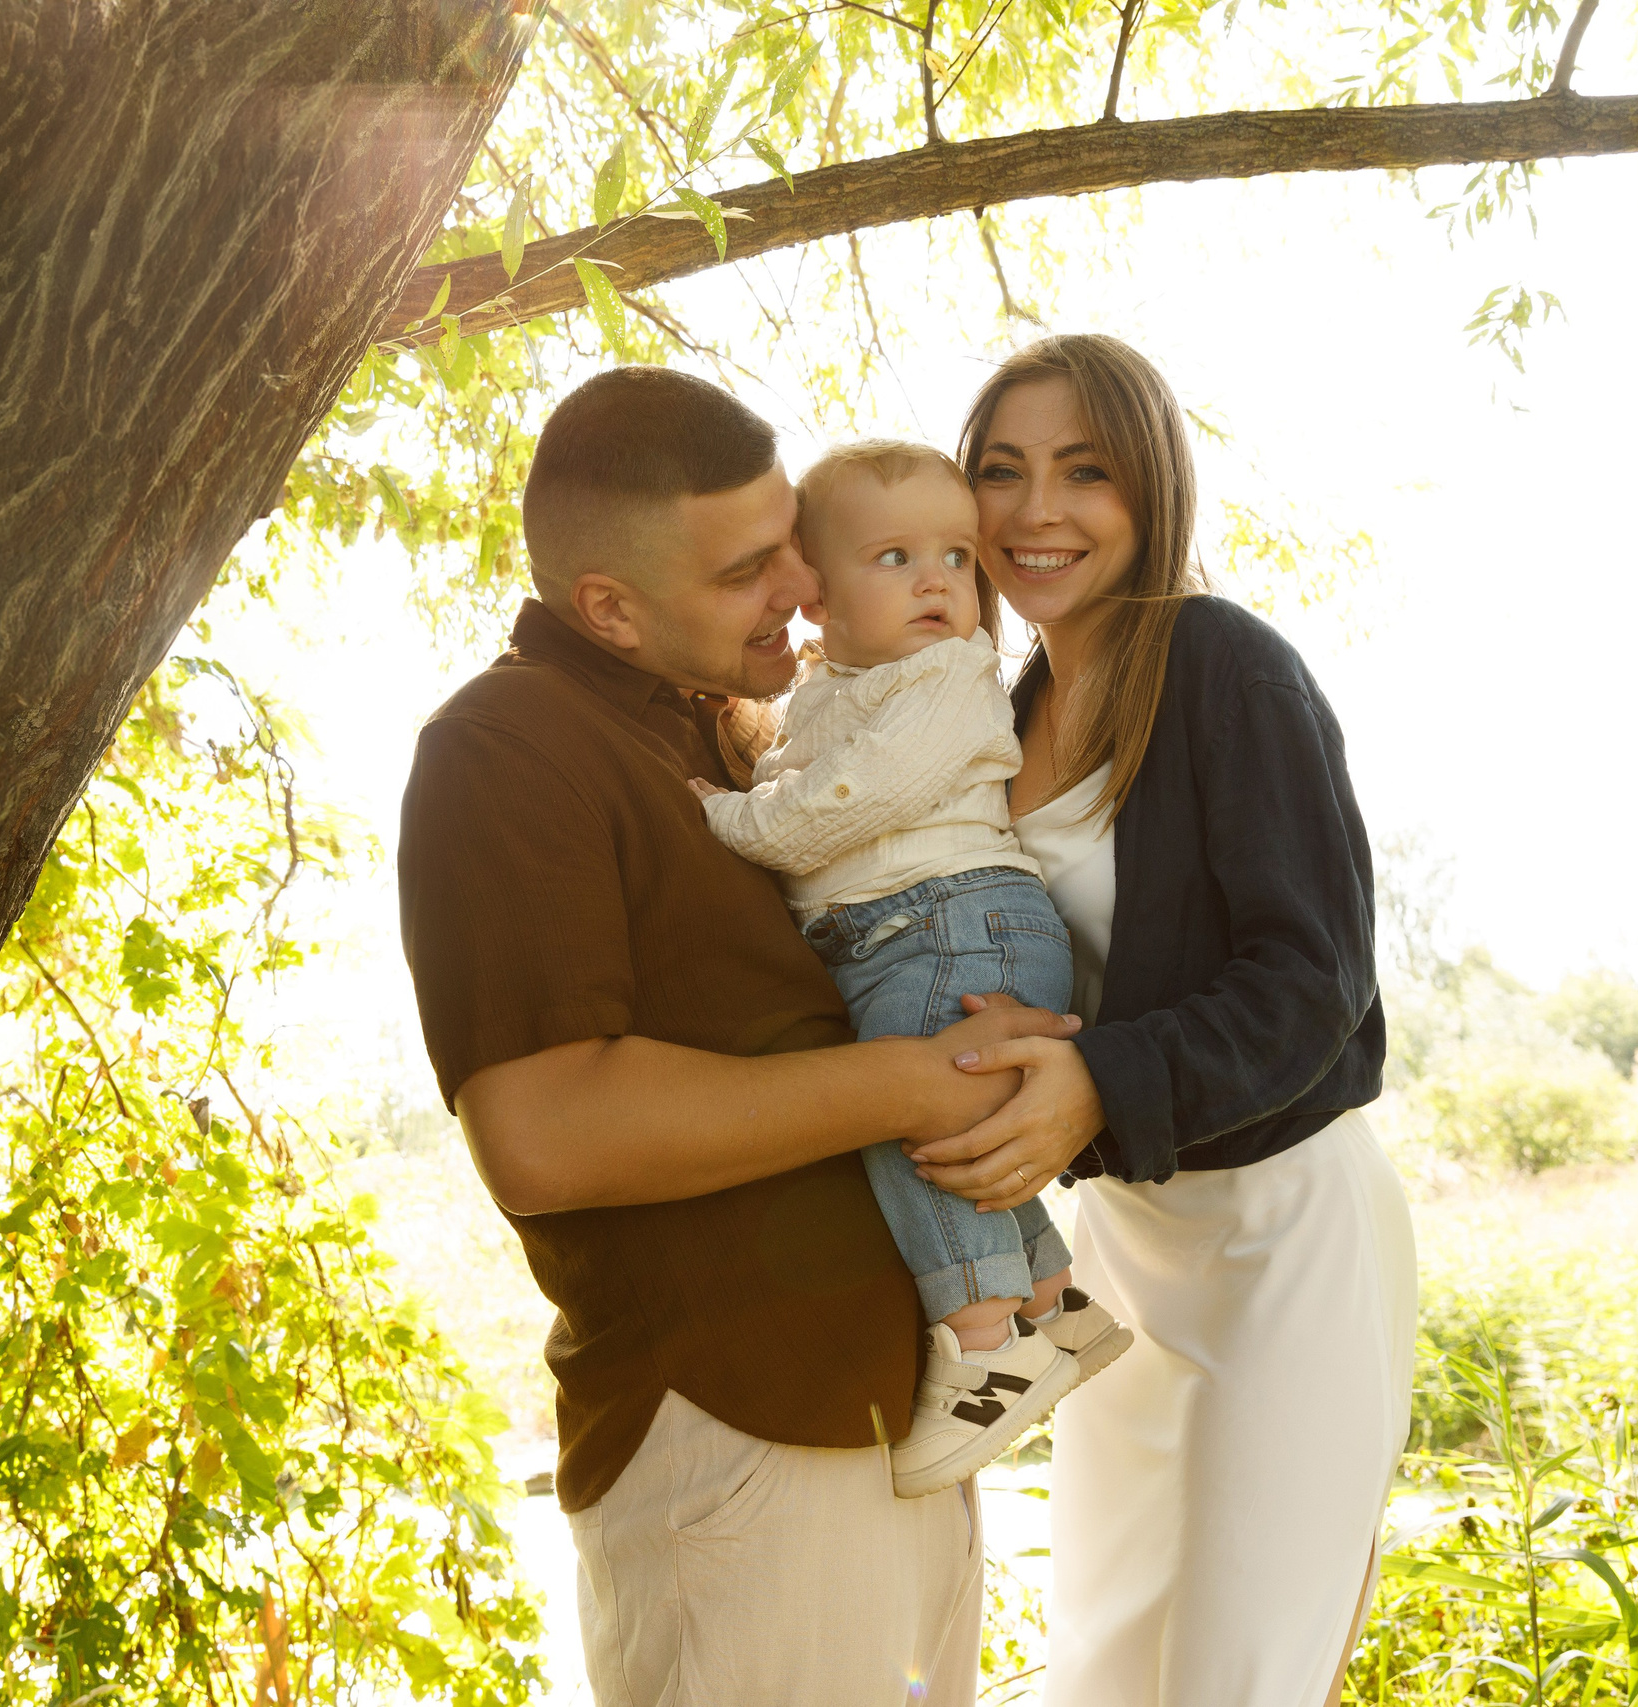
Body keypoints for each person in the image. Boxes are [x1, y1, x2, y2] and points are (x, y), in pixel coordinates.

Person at [394, 367, 1080, 1707]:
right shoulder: (507, 746)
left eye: (794, 540)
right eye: (751, 567)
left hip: (889, 1411)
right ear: (611, 606)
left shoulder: (738, 733)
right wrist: (906, 1082)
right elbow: (541, 1130)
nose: (803, 584)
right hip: (733, 1430)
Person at [908, 334, 1418, 1707]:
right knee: (1107, 1662)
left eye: (1087, 471)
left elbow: (1313, 980)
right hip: (1128, 1249)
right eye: (1000, 472)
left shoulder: (1226, 667)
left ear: (1153, 489)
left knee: (1235, 1675)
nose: (1036, 512)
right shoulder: (997, 714)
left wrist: (1094, 1075)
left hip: (1280, 1239)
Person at [691, 439, 1133, 1497]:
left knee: (910, 1115)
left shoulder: (946, 677)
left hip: (950, 920)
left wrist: (715, 812)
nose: (937, 579)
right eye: (893, 557)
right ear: (815, 594)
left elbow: (831, 812)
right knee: (960, 1121)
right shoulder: (838, 686)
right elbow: (809, 758)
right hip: (924, 925)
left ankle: (986, 1352)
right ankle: (1056, 1304)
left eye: (953, 556)